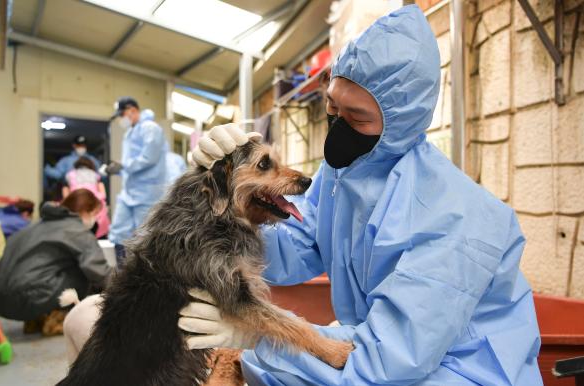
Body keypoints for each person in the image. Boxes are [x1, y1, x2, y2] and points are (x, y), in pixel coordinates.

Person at [181, 5, 542, 385]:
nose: (338, 128)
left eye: (356, 119)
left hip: (456, 373)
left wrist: (260, 332)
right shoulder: (343, 176)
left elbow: (390, 356)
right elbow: (294, 245)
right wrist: (220, 194)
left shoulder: (455, 219)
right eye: (333, 108)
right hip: (380, 353)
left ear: (401, 120)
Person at [0, 189, 113, 336]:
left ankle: (36, 319)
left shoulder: (37, 225)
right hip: (28, 298)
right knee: (85, 274)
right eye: (95, 214)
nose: (95, 220)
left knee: (50, 270)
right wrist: (128, 288)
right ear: (85, 211)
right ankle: (57, 320)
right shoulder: (78, 231)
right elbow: (101, 273)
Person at [107, 97, 169, 265]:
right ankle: (120, 275)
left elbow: (149, 158)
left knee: (145, 236)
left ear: (132, 110)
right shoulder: (130, 133)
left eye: (122, 114)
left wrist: (122, 166)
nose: (121, 119)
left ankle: (142, 279)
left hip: (147, 193)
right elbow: (132, 166)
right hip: (129, 193)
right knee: (118, 232)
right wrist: (120, 170)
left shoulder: (151, 129)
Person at [63, 156, 110, 238]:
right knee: (99, 237)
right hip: (96, 209)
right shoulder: (95, 175)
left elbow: (65, 196)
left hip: (76, 207)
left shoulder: (69, 175)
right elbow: (103, 195)